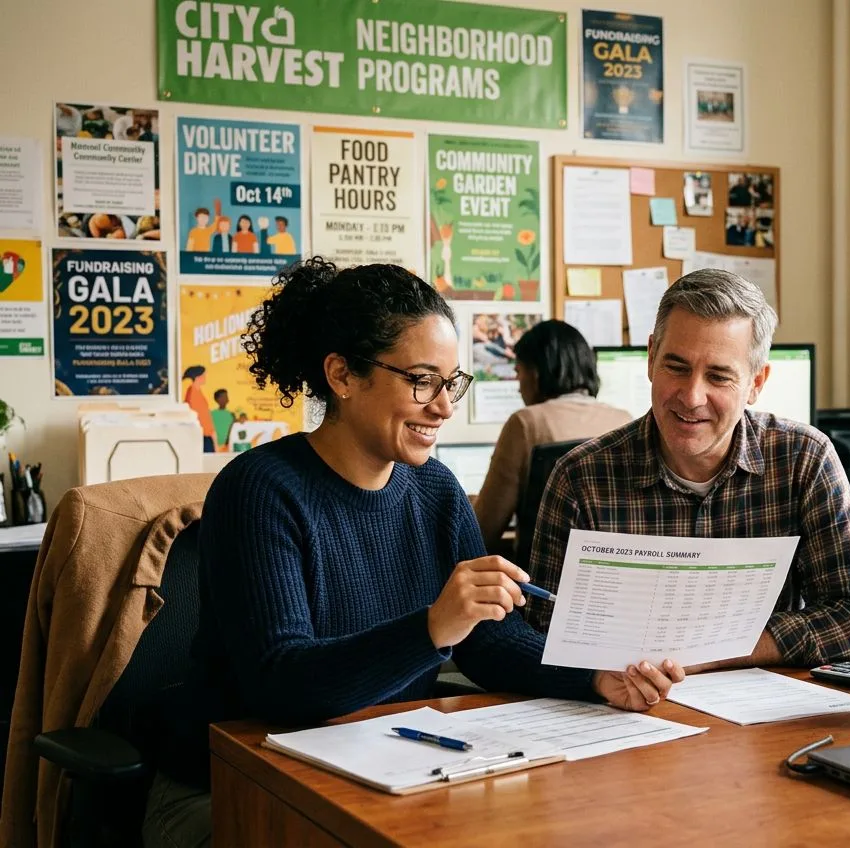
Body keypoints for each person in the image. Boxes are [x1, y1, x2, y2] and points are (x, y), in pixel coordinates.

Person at [142, 259, 683, 848]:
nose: (444, 407)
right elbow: (281, 685)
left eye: (452, 383)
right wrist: (431, 628)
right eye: (422, 381)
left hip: (386, 771)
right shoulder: (260, 490)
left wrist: (595, 677)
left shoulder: (435, 489)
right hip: (236, 787)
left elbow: (489, 643)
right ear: (343, 375)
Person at [521, 269, 850, 669]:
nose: (692, 397)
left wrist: (712, 655)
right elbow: (542, 635)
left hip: (763, 715)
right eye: (676, 367)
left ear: (756, 383)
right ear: (651, 359)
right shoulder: (581, 477)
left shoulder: (803, 459)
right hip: (625, 711)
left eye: (718, 376)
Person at [473, 320, 632, 551]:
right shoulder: (625, 421)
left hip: (540, 580)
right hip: (608, 576)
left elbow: (483, 531)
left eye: (518, 372)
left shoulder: (525, 424)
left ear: (535, 374)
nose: (518, 387)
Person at [181, 366, 216, 452]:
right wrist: (212, 434)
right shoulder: (193, 393)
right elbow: (200, 416)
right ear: (197, 377)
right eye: (203, 375)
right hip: (202, 436)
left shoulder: (196, 391)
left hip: (204, 435)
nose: (205, 378)